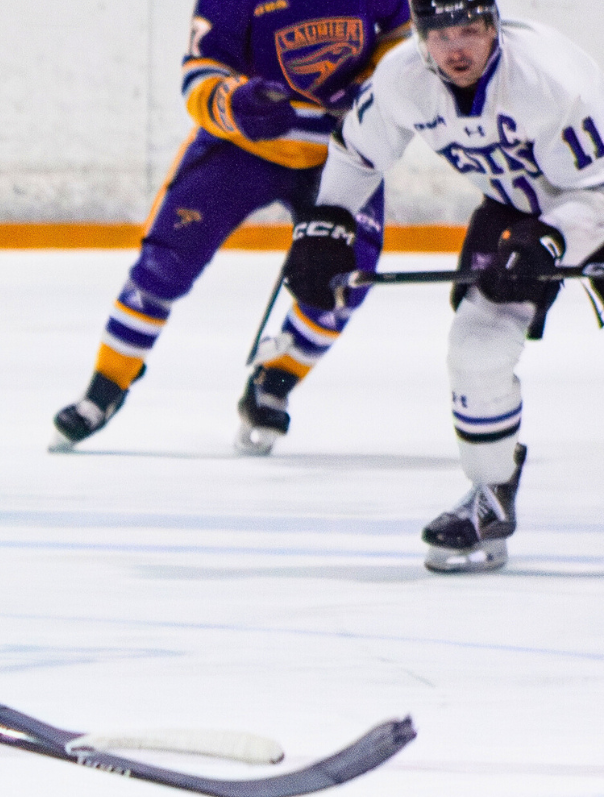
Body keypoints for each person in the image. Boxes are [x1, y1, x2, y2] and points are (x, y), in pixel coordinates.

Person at [283, 0, 604, 571]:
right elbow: (356, 153)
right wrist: (326, 223)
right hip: (519, 211)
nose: (455, 49)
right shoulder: (403, 79)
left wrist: (553, 242)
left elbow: (597, 195)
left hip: (593, 204)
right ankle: (490, 494)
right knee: (476, 346)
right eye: (439, 34)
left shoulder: (547, 78)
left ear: (494, 28)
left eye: (470, 32)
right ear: (419, 35)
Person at [51, 0, 411, 455]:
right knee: (164, 265)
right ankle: (105, 386)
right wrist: (233, 102)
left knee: (342, 282)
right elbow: (200, 71)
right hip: (238, 149)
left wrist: (376, 82)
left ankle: (274, 380)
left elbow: (406, 37)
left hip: (341, 156)